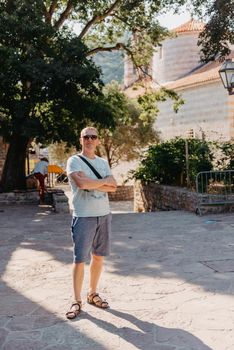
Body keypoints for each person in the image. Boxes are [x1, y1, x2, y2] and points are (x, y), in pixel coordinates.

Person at [65, 126, 117, 319]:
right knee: (79, 260)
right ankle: (76, 300)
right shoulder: (74, 161)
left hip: (104, 215)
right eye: (85, 136)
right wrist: (102, 182)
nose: (89, 139)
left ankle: (92, 293)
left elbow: (114, 187)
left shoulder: (103, 163)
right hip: (84, 215)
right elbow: (82, 184)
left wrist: (92, 182)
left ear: (98, 140)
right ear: (81, 140)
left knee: (98, 257)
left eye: (93, 136)